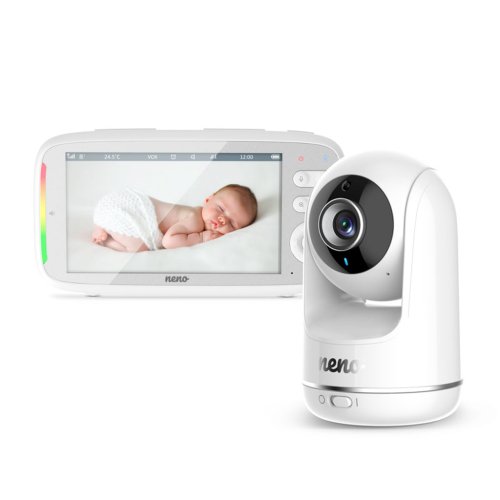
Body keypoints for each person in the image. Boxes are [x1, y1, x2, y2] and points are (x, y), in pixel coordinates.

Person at [91, 184, 258, 252]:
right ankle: (107, 238)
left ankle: (103, 225)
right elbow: (168, 241)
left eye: (232, 224)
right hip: (129, 208)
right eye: (220, 209)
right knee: (139, 249)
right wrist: (201, 238)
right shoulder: (194, 218)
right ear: (208, 200)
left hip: (118, 203)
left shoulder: (194, 215)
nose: (222, 220)